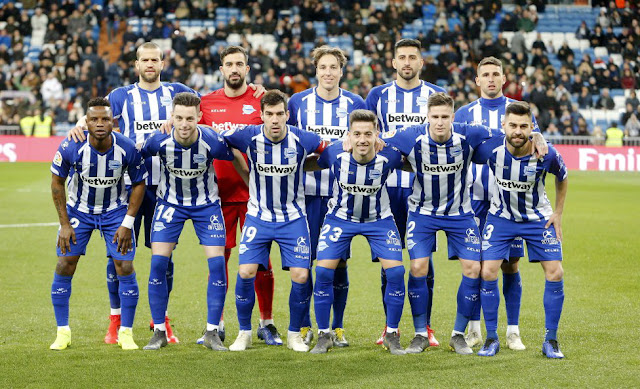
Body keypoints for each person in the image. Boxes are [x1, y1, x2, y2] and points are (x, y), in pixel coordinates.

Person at [384, 93, 548, 355]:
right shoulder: (410, 136)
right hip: (422, 213)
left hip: (460, 214)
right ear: (428, 117)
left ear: (453, 117)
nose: (440, 122)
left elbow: (510, 131)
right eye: (435, 117)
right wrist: (347, 137)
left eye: (445, 117)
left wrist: (536, 136)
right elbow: (376, 140)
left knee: (473, 268)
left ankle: (458, 334)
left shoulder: (468, 134)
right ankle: (420, 334)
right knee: (417, 266)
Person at [67, 42, 199, 344]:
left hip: (167, 189)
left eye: (155, 59)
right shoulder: (120, 96)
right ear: (136, 64)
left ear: (162, 64)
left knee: (163, 257)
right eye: (144, 60)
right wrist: (76, 126)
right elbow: (95, 118)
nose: (150, 64)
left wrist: (256, 90)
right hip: (128, 190)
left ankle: (160, 321)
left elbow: (212, 104)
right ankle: (115, 320)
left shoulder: (177, 93)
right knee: (118, 256)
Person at [221, 90, 327, 352]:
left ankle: (293, 334)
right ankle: (244, 333)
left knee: (301, 275)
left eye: (280, 114)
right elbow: (223, 143)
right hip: (258, 217)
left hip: (293, 218)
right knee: (246, 272)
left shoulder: (303, 139)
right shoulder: (248, 136)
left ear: (287, 115)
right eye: (270, 114)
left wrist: (308, 163)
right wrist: (245, 172)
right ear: (262, 116)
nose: (275, 120)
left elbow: (329, 152)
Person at [193, 45, 277, 346]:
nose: (234, 69)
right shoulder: (206, 103)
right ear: (221, 69)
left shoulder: (260, 100)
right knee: (220, 261)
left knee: (261, 262)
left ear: (247, 69)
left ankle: (266, 322)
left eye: (239, 64)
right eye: (229, 64)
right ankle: (218, 324)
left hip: (256, 195)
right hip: (218, 195)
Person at [454, 56, 540, 351]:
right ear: (477, 81)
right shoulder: (464, 113)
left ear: (504, 79)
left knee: (510, 265)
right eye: (485, 75)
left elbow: (536, 139)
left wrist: (539, 136)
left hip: (509, 201)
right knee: (476, 266)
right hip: (474, 198)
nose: (491, 79)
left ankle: (512, 330)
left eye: (496, 74)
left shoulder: (518, 110)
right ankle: (475, 329)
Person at [472, 101, 568, 359]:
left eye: (524, 126)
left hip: (538, 218)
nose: (517, 131)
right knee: (488, 271)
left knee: (555, 272)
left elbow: (562, 176)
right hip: (501, 216)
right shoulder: (490, 148)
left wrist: (558, 212)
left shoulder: (545, 152)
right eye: (512, 125)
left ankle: (551, 340)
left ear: (531, 127)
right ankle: (491, 338)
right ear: (503, 125)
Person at [306, 110, 407, 355]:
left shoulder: (390, 156)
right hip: (341, 218)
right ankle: (324, 334)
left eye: (368, 134)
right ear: (348, 135)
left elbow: (412, 162)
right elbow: (312, 162)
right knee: (322, 271)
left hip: (379, 220)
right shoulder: (333, 154)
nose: (362, 139)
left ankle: (391, 334)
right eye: (357, 134)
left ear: (377, 135)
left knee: (396, 273)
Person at [49, 97, 146, 351]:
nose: (100, 124)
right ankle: (63, 332)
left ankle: (126, 332)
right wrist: (65, 224)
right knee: (64, 263)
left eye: (105, 119)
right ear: (86, 122)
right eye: (94, 119)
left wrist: (127, 222)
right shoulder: (72, 145)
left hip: (115, 212)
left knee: (124, 266)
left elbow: (139, 184)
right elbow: (56, 183)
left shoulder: (126, 147)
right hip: (79, 212)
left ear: (113, 122)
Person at [365, 38, 445, 347]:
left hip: (425, 192)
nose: (408, 62)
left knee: (423, 261)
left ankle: (424, 327)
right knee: (390, 261)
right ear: (394, 62)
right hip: (386, 192)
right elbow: (363, 133)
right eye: (402, 57)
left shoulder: (434, 96)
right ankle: (390, 327)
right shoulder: (377, 96)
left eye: (413, 57)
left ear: (421, 62)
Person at [141, 92, 236, 351]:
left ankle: (212, 332)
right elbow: (137, 155)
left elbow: (235, 154)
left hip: (206, 206)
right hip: (170, 204)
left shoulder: (212, 140)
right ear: (172, 117)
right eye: (179, 118)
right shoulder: (159, 141)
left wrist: (250, 185)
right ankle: (159, 331)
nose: (184, 124)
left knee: (217, 266)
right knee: (158, 264)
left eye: (190, 119)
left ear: (199, 118)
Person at [287, 46, 366, 347]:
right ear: (316, 70)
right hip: (304, 196)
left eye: (334, 67)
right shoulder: (298, 102)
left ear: (342, 71)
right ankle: (306, 325)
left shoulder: (354, 103)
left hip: (341, 198)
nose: (328, 72)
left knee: (339, 263)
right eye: (323, 67)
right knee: (303, 263)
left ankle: (338, 326)